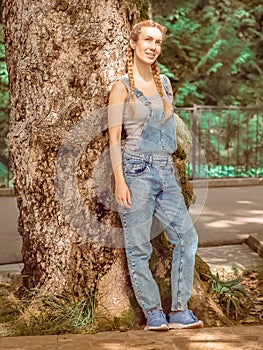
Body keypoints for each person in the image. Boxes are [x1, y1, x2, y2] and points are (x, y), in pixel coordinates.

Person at [108, 20, 203, 331]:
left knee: (187, 238)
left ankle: (178, 310)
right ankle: (153, 314)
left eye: (158, 42)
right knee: (138, 247)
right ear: (134, 43)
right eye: (147, 40)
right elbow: (113, 138)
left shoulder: (164, 84)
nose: (152, 46)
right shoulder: (122, 86)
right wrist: (120, 180)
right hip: (135, 171)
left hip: (166, 172)